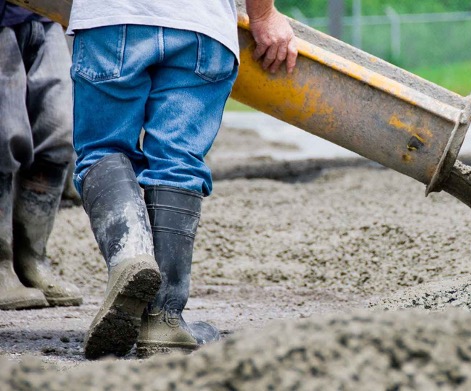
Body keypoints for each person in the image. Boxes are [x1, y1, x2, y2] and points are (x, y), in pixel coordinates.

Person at [67, 0, 297, 359]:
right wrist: (264, 15)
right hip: (201, 24)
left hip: (112, 17)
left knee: (103, 149)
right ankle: (163, 319)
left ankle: (130, 255)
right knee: (177, 163)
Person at [0, 1, 83, 310]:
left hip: (45, 15)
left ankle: (32, 259)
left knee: (59, 133)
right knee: (4, 135)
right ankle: (1, 263)